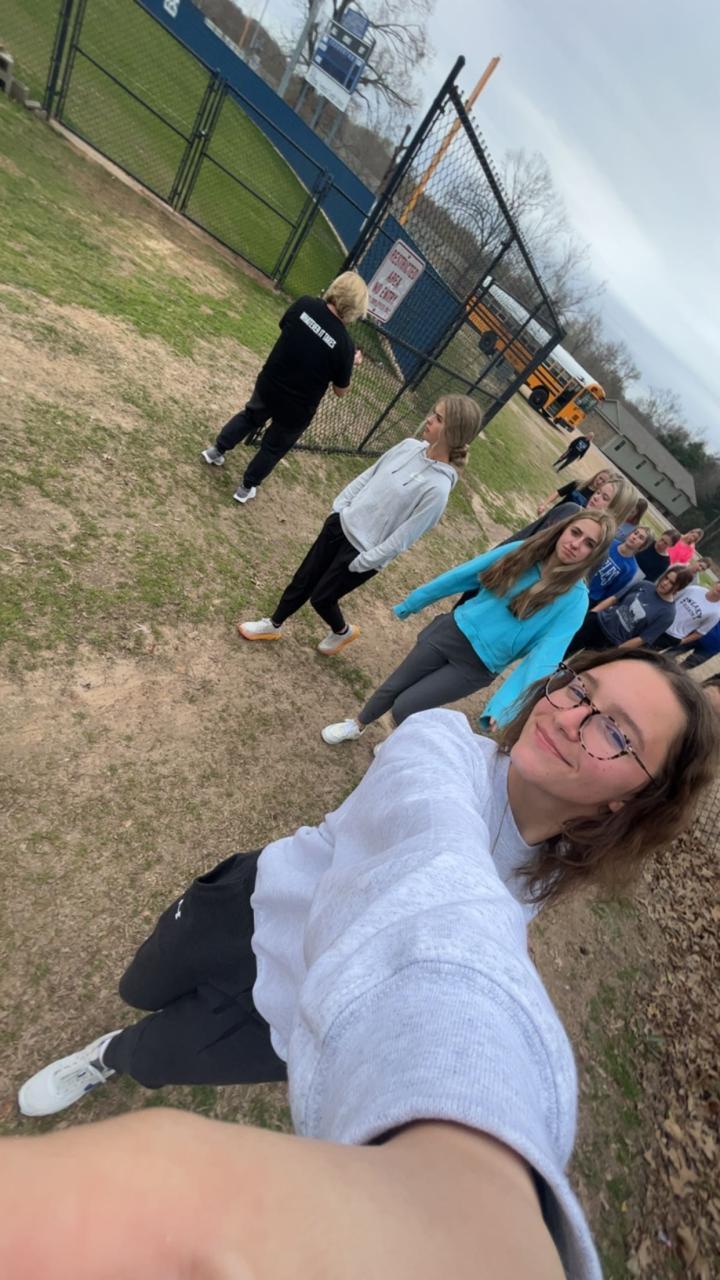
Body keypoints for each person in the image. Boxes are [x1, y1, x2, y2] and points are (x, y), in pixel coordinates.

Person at [15, 652, 720, 1280]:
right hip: (245, 911)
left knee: (156, 1055)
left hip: (292, 1020)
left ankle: (107, 1057)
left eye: (615, 733)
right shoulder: (439, 743)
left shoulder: (545, 877)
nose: (569, 717)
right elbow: (433, 855)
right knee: (140, 986)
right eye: (579, 688)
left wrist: (476, 1183)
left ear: (634, 797)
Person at [320, 512, 615, 743]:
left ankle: (396, 739)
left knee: (406, 705)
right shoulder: (522, 552)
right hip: (452, 631)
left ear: (594, 555)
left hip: (478, 667)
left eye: (589, 544)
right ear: (563, 529)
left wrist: (505, 706)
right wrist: (415, 601)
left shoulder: (575, 601)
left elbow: (544, 658)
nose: (576, 544)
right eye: (576, 532)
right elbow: (465, 574)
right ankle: (357, 724)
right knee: (395, 684)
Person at [236, 396, 482, 655]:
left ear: (454, 432)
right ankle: (272, 624)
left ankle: (342, 632)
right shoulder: (408, 446)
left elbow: (403, 538)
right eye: (433, 413)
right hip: (342, 524)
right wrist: (339, 509)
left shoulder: (438, 489)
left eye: (439, 419)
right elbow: (369, 475)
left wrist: (366, 560)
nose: (429, 419)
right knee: (303, 579)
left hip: (362, 552)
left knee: (322, 598)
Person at [201, 271, 368, 504]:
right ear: (356, 307)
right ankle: (245, 488)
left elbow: (285, 326)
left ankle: (216, 451)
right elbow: (341, 390)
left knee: (250, 416)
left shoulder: (305, 305)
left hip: (271, 382)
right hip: (297, 408)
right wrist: (350, 363)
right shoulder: (344, 345)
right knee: (273, 448)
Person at [566, 567, 694, 655]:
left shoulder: (668, 614)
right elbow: (615, 599)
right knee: (564, 650)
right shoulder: (645, 585)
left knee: (576, 668)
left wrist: (615, 652)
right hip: (597, 622)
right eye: (666, 578)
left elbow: (642, 639)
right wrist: (592, 614)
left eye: (671, 583)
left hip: (610, 643)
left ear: (678, 588)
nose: (665, 583)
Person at [506, 474, 636, 543]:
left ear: (616, 510)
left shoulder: (601, 546)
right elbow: (526, 534)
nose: (596, 497)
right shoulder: (570, 510)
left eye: (605, 498)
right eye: (598, 492)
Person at [587, 527, 652, 604]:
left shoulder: (631, 568)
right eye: (635, 533)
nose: (634, 537)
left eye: (640, 538)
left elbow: (612, 591)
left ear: (642, 546)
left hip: (591, 596)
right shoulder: (610, 543)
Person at [652, 582, 720, 652]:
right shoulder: (694, 589)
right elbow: (671, 599)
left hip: (671, 636)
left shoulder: (716, 613)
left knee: (647, 653)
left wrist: (681, 642)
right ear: (715, 584)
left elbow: (700, 633)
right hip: (657, 622)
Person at [535, 468, 619, 516]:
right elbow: (558, 492)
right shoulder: (578, 483)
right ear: (597, 475)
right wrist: (544, 505)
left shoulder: (596, 499)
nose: (600, 482)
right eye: (600, 478)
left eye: (603, 481)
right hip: (555, 513)